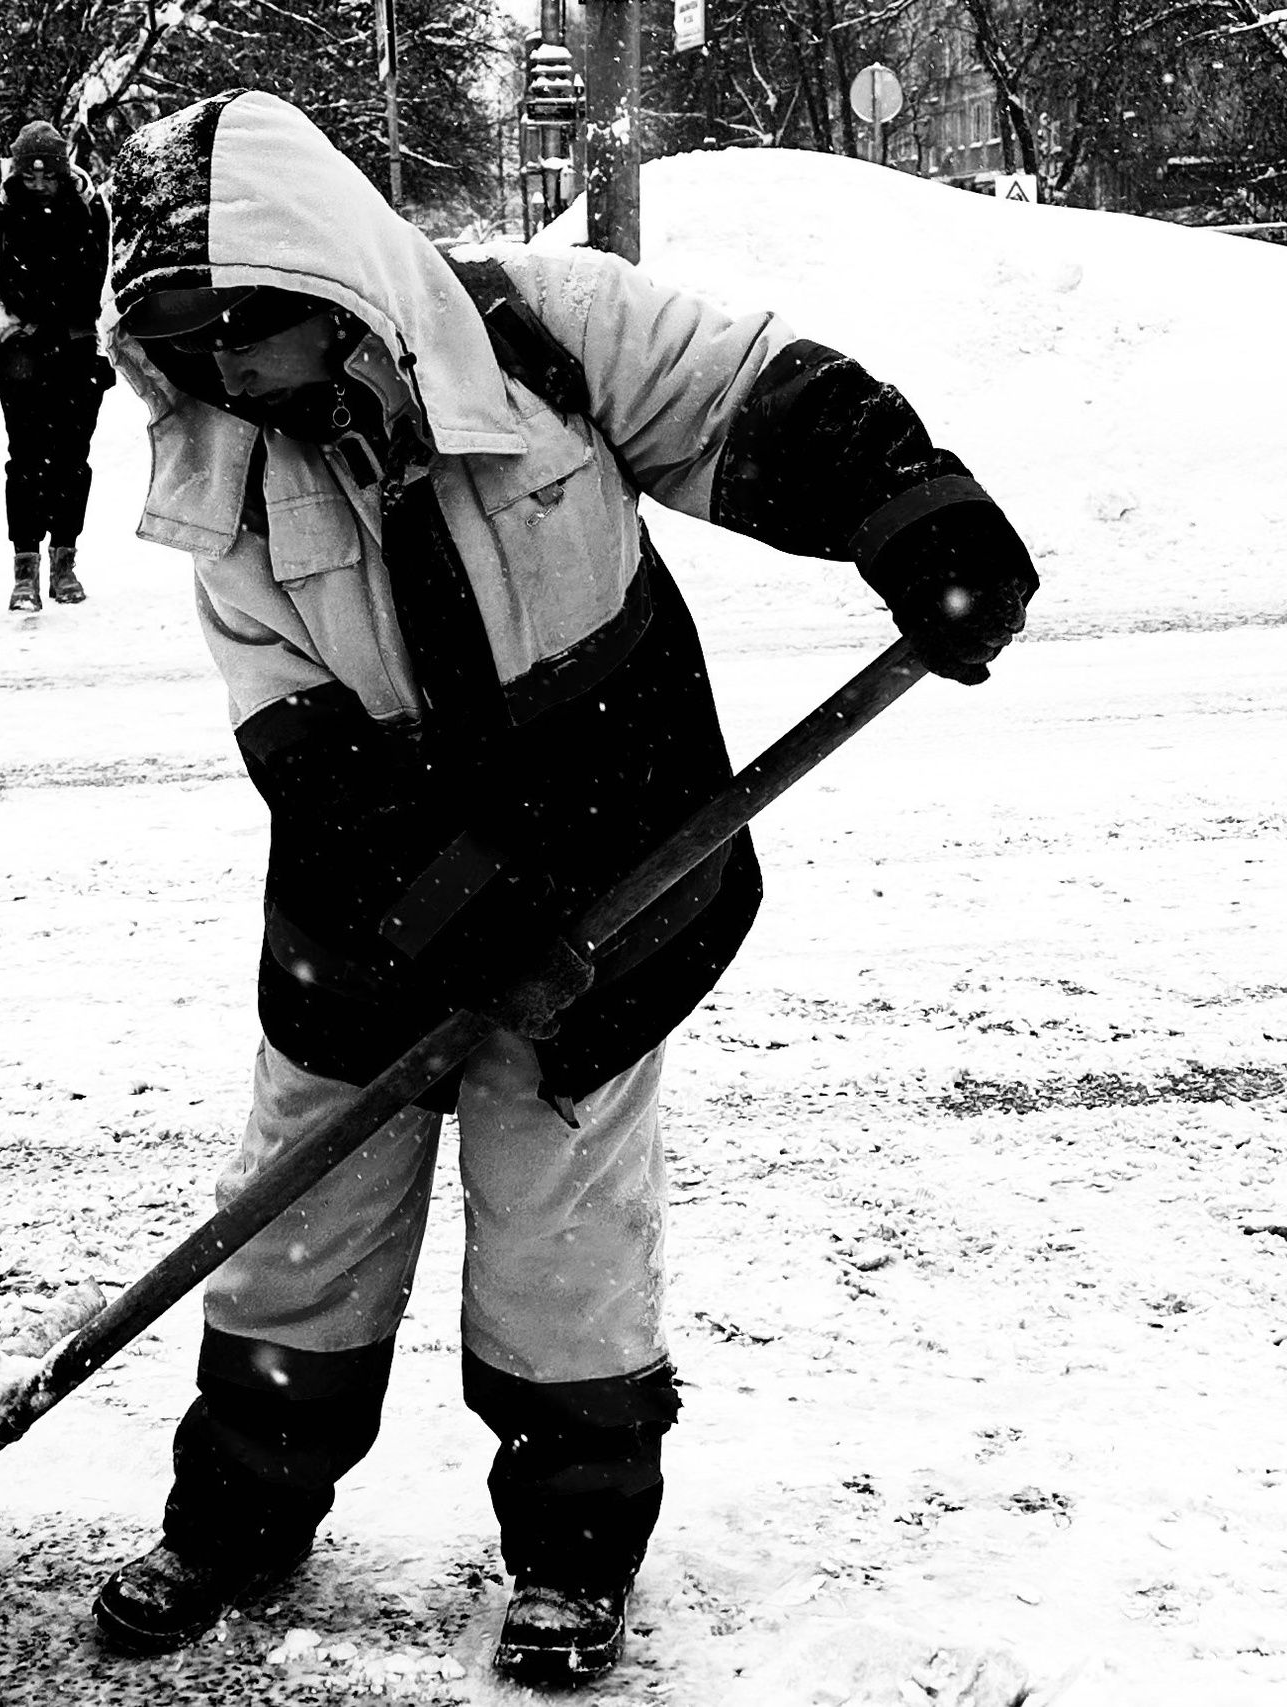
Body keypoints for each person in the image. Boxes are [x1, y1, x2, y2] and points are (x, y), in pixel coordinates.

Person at [87, 91, 1037, 1686]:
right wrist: (461, 907)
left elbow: (759, 404)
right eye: (178, 349)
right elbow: (307, 756)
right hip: (370, 918)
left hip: (615, 878)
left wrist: (915, 514)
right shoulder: (225, 488)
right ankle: (234, 1526)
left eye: (229, 334)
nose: (214, 379)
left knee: (564, 1253)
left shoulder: (547, 331)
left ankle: (573, 1562)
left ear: (312, 285)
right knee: (299, 1239)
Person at [0, 119, 113, 611]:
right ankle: (25, 567)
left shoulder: (92, 210)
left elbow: (112, 281)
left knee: (72, 461)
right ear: (17, 172)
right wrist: (6, 327)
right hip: (20, 358)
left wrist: (102, 333)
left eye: (47, 175)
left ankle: (65, 563)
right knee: (25, 463)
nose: (39, 184)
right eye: (29, 176)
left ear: (64, 170)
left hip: (78, 354)